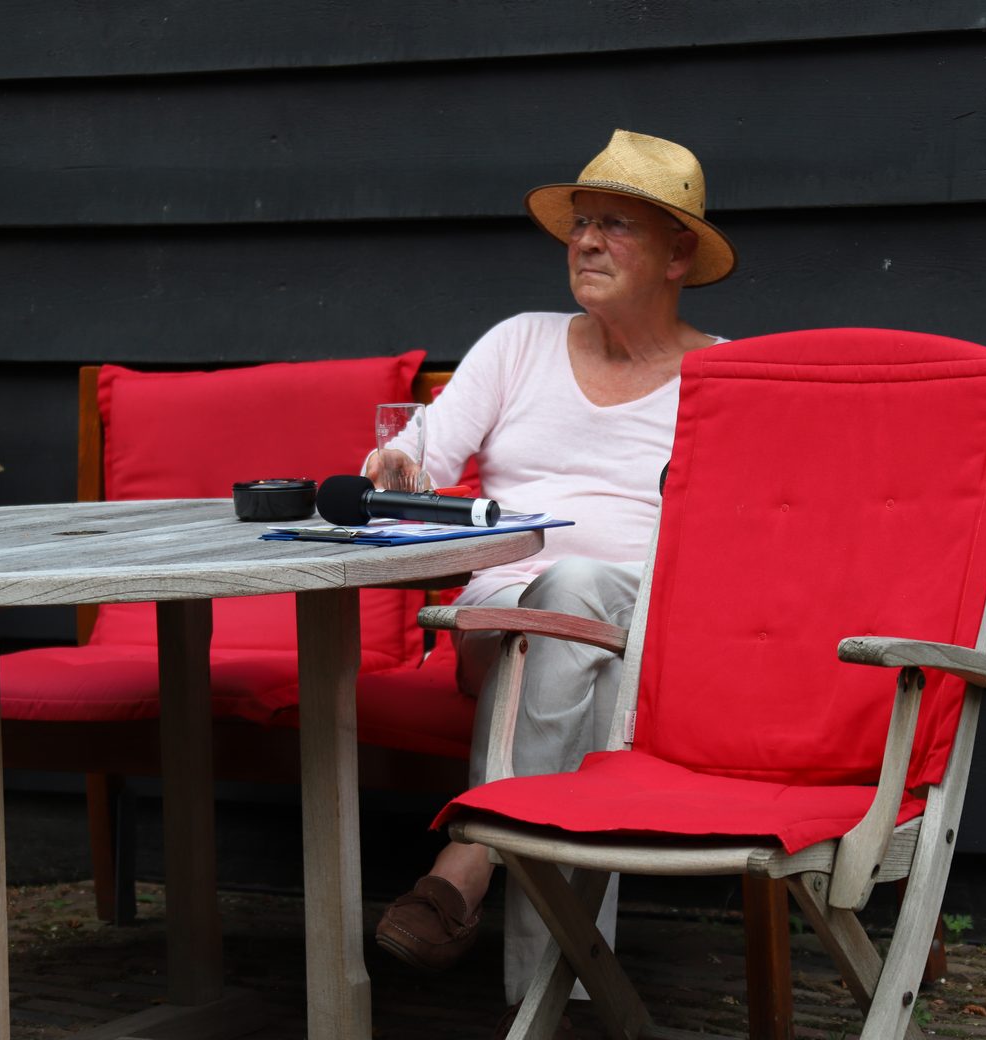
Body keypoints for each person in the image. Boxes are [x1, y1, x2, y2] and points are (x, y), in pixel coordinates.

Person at [369, 129, 737, 1018]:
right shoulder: (519, 345)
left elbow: (735, 542)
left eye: (616, 226)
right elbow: (416, 456)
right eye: (580, 224)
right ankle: (555, 1006)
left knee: (581, 609)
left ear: (677, 255)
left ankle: (473, 857)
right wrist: (396, 464)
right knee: (559, 614)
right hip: (502, 609)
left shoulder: (723, 378)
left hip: (647, 623)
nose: (586, 242)